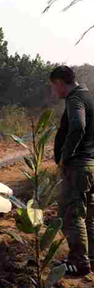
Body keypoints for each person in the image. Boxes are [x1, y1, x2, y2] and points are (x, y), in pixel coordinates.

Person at [51, 65, 94, 276]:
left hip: (77, 166)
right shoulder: (89, 97)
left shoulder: (75, 99)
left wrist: (65, 156)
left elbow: (78, 125)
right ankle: (90, 257)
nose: (55, 92)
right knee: (87, 215)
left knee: (72, 213)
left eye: (54, 87)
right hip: (90, 165)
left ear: (60, 82)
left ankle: (78, 262)